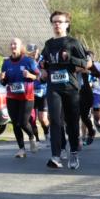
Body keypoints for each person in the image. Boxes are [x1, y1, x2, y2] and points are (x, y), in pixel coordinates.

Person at [39, 10, 90, 170]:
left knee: (72, 122)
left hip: (70, 88)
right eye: (54, 22)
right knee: (54, 120)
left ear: (67, 24)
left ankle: (73, 152)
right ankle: (56, 156)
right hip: (53, 87)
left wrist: (71, 59)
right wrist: (43, 69)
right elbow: (44, 62)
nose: (56, 24)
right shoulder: (48, 44)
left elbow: (86, 64)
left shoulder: (73, 42)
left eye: (60, 21)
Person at [0, 38, 39, 158]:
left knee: (23, 122)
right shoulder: (6, 63)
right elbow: (4, 82)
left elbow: (39, 76)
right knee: (15, 123)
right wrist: (1, 79)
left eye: (15, 44)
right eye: (11, 44)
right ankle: (21, 149)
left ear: (20, 46)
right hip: (12, 97)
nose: (12, 46)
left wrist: (30, 75)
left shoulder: (28, 61)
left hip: (27, 97)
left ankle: (32, 137)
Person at [27, 43, 49, 143]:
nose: (33, 53)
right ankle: (36, 139)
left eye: (35, 51)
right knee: (31, 119)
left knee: (43, 119)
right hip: (30, 93)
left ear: (37, 50)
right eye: (31, 52)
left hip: (43, 92)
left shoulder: (43, 60)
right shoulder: (26, 61)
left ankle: (47, 133)